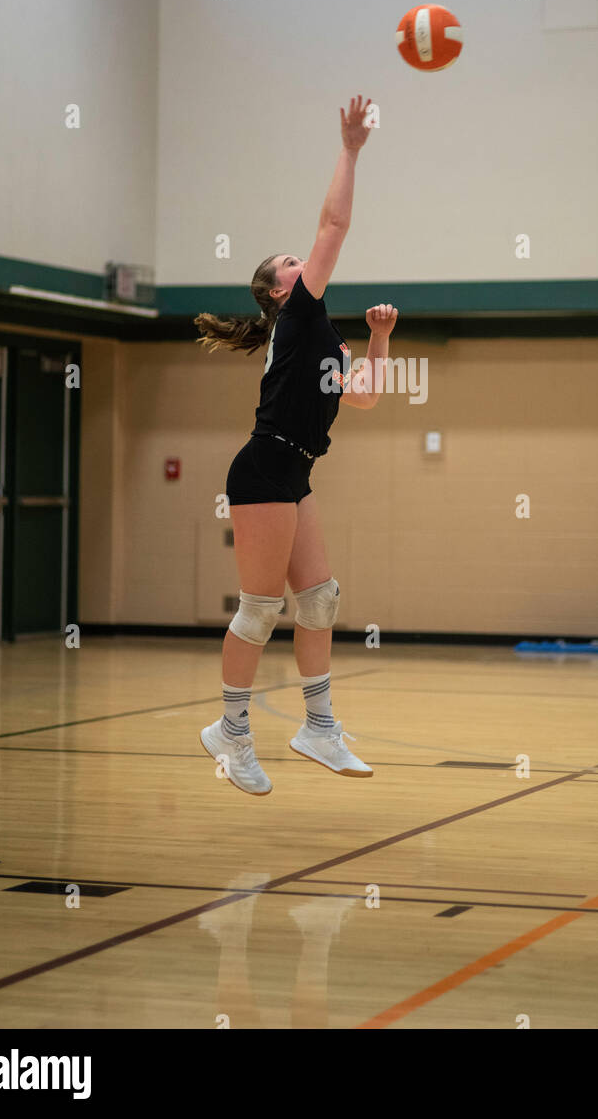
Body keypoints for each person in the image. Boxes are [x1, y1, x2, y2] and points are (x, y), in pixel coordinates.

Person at [194, 95, 398, 795]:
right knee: (259, 611)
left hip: (295, 470)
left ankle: (317, 726)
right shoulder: (302, 310)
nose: (301, 259)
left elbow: (366, 396)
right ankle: (231, 731)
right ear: (279, 290)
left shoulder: (322, 334)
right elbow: (333, 223)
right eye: (291, 261)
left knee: (319, 601)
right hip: (263, 467)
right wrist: (350, 148)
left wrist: (378, 339)